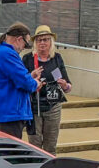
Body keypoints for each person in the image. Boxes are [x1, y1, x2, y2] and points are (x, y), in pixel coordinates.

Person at [0, 22, 41, 139]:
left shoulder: (0, 51)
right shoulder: (7, 54)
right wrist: (35, 83)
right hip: (10, 112)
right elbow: (25, 82)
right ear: (19, 39)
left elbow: (14, 77)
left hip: (4, 111)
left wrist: (29, 77)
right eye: (26, 43)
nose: (24, 47)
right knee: (12, 153)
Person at [22, 24, 71, 154]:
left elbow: (68, 85)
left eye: (46, 39)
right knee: (34, 144)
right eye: (39, 40)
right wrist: (31, 77)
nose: (42, 43)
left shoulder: (57, 58)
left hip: (53, 105)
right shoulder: (27, 59)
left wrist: (64, 85)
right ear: (35, 43)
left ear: (51, 42)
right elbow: (21, 81)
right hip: (34, 106)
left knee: (50, 145)